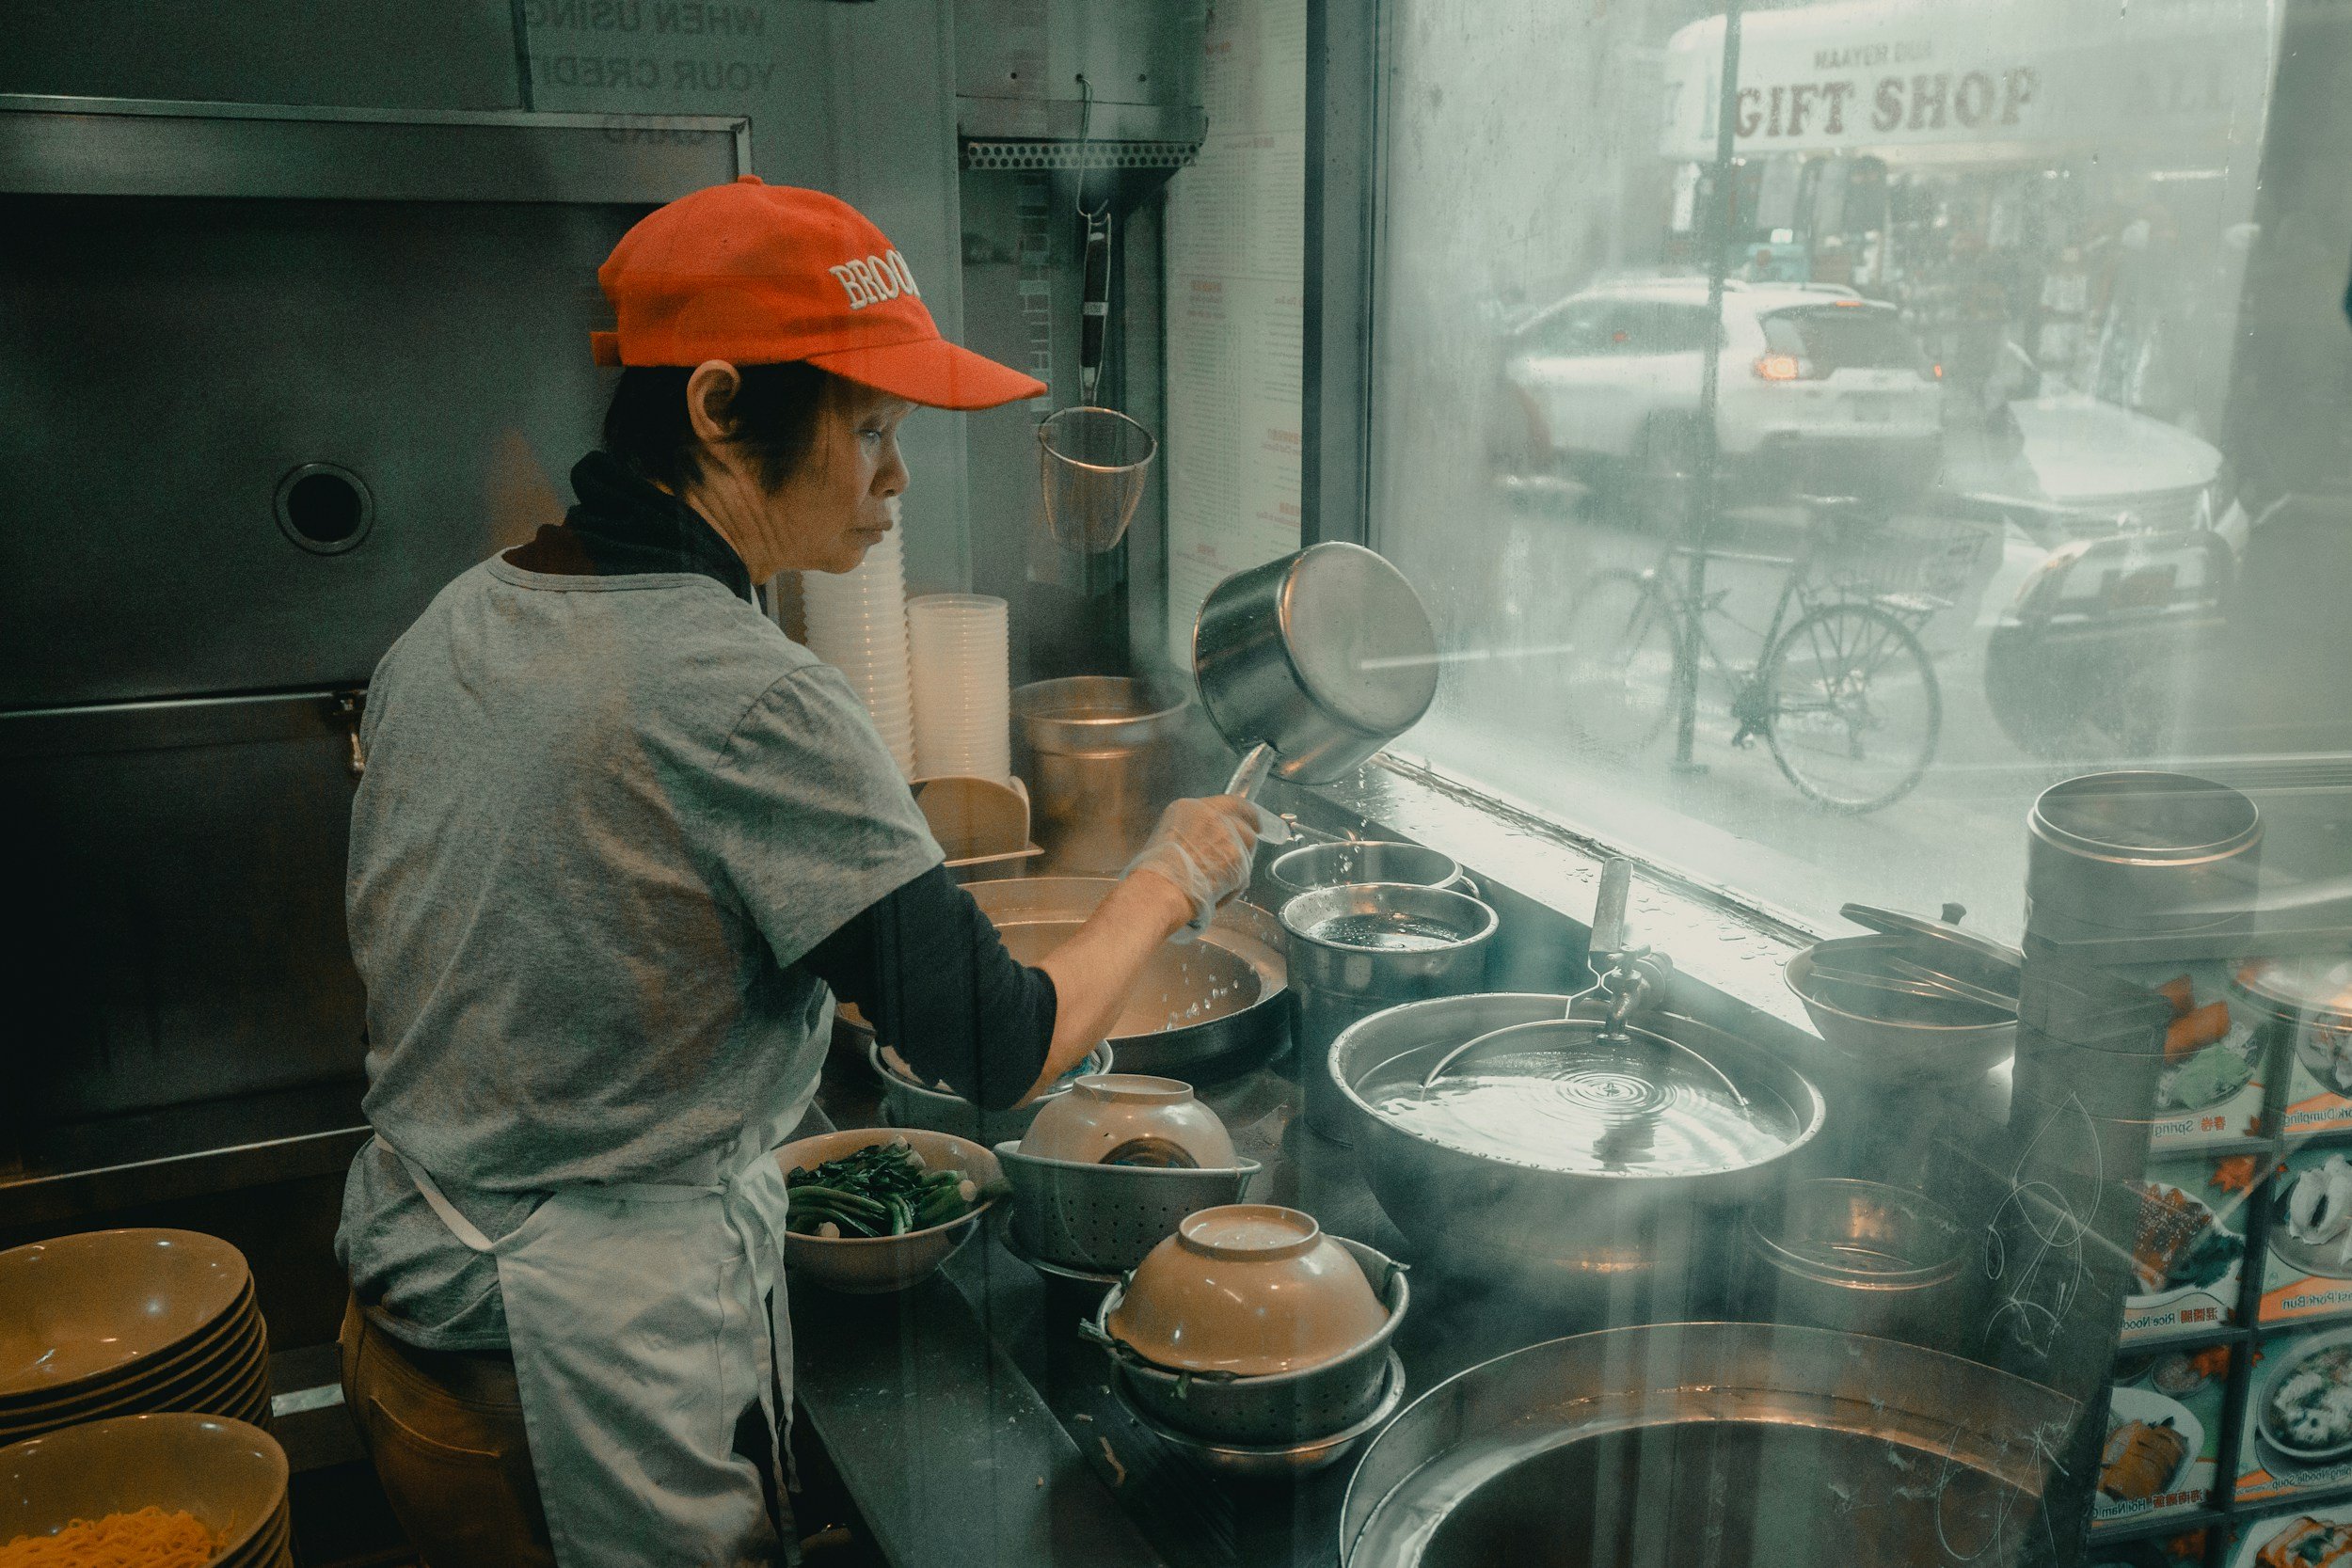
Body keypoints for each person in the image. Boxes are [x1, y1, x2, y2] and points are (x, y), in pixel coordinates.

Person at [332, 177, 1268, 1568]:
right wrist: (1171, 873)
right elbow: (999, 1044)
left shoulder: (463, 616)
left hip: (416, 1305)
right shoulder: (744, 693)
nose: (895, 478)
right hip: (577, 1358)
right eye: (873, 432)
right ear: (717, 410)